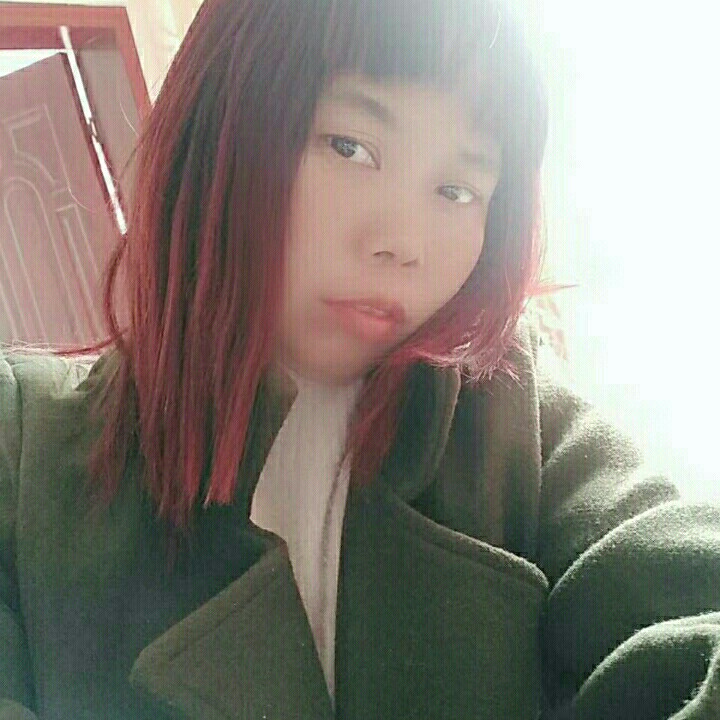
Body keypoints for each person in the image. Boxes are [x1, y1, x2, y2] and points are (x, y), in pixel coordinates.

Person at [1, 0, 719, 718]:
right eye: (350, 147)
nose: (402, 241)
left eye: (457, 190)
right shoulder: (24, 447)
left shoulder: (509, 415)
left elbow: (683, 593)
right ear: (218, 121)